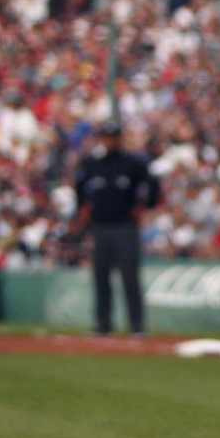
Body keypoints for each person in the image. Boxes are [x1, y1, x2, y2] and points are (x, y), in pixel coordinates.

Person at [73, 120, 157, 337]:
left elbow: (153, 184)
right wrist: (82, 208)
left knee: (129, 276)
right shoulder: (93, 164)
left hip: (125, 228)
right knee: (100, 277)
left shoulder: (131, 163)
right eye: (106, 136)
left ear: (119, 138)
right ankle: (103, 325)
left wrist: (144, 206)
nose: (110, 141)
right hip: (100, 226)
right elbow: (79, 187)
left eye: (113, 136)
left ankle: (137, 326)